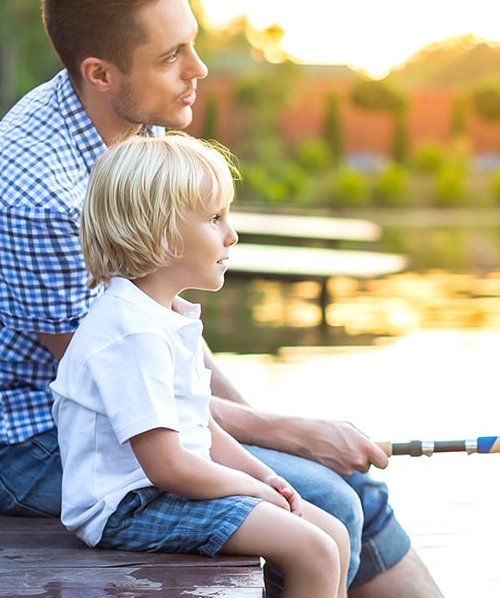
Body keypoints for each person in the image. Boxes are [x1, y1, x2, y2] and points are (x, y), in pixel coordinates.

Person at [0, 0, 443, 597]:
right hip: (13, 449)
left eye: (190, 44)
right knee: (324, 502)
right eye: (171, 57)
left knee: (348, 486)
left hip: (121, 414)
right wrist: (282, 436)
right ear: (100, 72)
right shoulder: (39, 199)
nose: (197, 69)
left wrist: (279, 435)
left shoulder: (137, 133)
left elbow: (170, 348)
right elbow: (126, 384)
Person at [51, 133, 349, 596]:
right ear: (159, 233)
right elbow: (167, 466)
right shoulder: (131, 332)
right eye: (214, 218)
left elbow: (203, 427)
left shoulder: (165, 317)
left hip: (169, 491)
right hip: (128, 507)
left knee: (333, 534)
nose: (232, 234)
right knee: (313, 549)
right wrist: (251, 491)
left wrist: (263, 476)